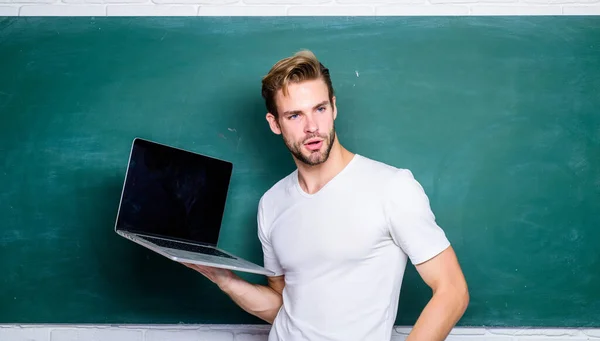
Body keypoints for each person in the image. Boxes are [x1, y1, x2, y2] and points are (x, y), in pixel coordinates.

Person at [183, 50, 469, 341]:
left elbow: (452, 291)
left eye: (319, 109)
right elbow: (287, 309)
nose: (312, 127)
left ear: (333, 108)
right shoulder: (271, 203)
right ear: (274, 123)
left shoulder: (392, 187)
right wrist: (224, 279)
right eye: (295, 115)